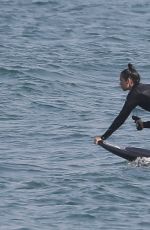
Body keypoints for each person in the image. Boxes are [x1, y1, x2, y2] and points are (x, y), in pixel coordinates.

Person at [94, 63, 150, 145]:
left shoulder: (135, 94)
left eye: (121, 80)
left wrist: (103, 137)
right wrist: (144, 125)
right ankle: (142, 124)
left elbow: (121, 118)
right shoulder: (143, 88)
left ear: (129, 81)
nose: (120, 83)